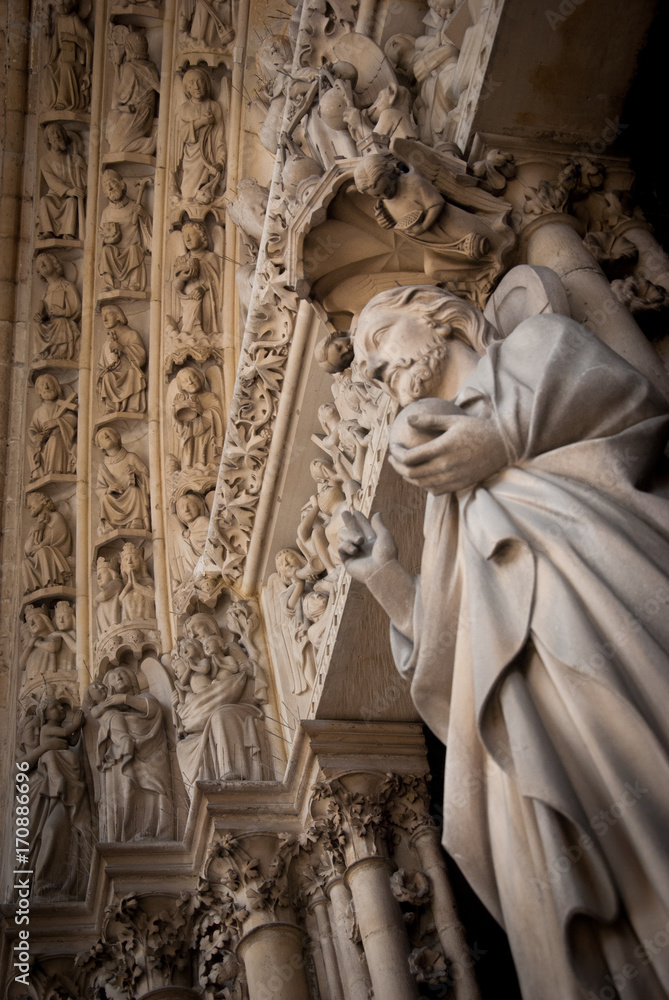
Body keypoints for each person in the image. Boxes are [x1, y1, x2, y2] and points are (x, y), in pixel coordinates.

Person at [338, 283, 669, 999]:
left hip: (595, 598)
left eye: (375, 343)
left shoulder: (533, 348)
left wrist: (499, 436)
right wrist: (385, 575)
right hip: (516, 698)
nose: (369, 372)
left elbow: (626, 400)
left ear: (444, 317)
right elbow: (454, 642)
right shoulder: (442, 497)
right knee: (545, 843)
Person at [88, 666, 172, 841]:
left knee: (151, 791)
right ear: (108, 686)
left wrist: (124, 699)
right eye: (113, 676)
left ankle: (152, 830)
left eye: (123, 674)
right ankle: (125, 835)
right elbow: (93, 715)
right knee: (126, 790)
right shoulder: (109, 712)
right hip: (122, 757)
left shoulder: (144, 698)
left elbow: (154, 708)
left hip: (151, 755)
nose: (119, 676)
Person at [172, 68, 226, 205]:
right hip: (190, 158)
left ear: (206, 84)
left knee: (205, 196)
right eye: (191, 84)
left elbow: (219, 138)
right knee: (187, 194)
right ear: (187, 88)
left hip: (208, 158)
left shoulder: (214, 107)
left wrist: (220, 162)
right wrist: (201, 122)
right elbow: (182, 135)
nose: (196, 87)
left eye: (200, 82)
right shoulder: (184, 108)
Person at [107, 29, 160, 155]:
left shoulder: (130, 68)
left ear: (129, 49)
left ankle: (149, 144)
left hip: (137, 113)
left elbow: (120, 96)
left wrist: (118, 65)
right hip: (146, 113)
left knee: (116, 148)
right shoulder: (150, 66)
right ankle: (147, 144)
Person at [99, 169, 152, 291]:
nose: (110, 188)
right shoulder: (106, 213)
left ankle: (134, 283)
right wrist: (108, 240)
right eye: (106, 186)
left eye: (112, 183)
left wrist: (143, 214)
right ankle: (108, 284)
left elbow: (149, 227)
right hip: (115, 251)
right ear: (105, 193)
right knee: (106, 250)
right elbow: (100, 235)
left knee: (134, 250)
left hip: (131, 249)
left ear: (122, 185)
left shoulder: (135, 206)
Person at [94, 426, 151, 533]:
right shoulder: (103, 467)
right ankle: (111, 524)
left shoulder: (131, 457)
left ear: (118, 436)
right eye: (102, 437)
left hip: (131, 494)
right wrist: (109, 489)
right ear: (100, 446)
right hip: (115, 497)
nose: (106, 435)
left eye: (109, 432)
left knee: (135, 491)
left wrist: (137, 473)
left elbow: (147, 478)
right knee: (105, 499)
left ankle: (136, 520)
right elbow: (99, 488)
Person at [38, 123, 87, 240]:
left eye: (59, 132)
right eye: (52, 134)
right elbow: (52, 181)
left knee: (72, 203)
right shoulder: (45, 160)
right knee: (44, 201)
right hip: (56, 193)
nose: (56, 136)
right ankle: (48, 231)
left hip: (72, 192)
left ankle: (68, 233)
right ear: (48, 140)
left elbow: (84, 179)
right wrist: (69, 191)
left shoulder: (72, 156)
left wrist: (83, 166)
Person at [97, 304, 147, 413]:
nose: (104, 318)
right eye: (102, 315)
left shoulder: (131, 335)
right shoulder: (107, 343)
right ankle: (112, 408)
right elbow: (102, 365)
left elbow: (141, 357)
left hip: (129, 371)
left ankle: (132, 407)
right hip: (114, 373)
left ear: (118, 316)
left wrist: (123, 348)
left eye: (108, 314)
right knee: (107, 377)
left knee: (133, 374)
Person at [28, 373, 78, 481]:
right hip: (44, 443)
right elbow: (32, 429)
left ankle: (55, 470)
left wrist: (57, 422)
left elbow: (73, 420)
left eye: (49, 383)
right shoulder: (38, 412)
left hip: (60, 438)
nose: (46, 387)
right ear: (39, 392)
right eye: (42, 385)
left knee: (54, 440)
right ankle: (38, 475)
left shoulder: (63, 405)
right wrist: (35, 437)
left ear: (56, 387)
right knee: (30, 448)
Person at [33, 253, 81, 360]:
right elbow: (45, 312)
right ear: (38, 272)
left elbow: (77, 308)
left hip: (62, 322)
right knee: (37, 326)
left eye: (45, 262)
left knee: (60, 322)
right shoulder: (46, 292)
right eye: (39, 265)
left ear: (55, 264)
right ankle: (42, 353)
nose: (42, 265)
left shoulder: (66, 285)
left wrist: (63, 312)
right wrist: (40, 316)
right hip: (51, 323)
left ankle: (60, 352)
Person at [23, 492, 72, 594]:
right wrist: (38, 527)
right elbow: (27, 550)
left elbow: (58, 533)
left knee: (43, 551)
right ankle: (34, 588)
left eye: (31, 500)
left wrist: (40, 546)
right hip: (41, 553)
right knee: (26, 562)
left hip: (58, 549)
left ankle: (51, 581)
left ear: (42, 501)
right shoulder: (35, 525)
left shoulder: (56, 516)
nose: (28, 506)